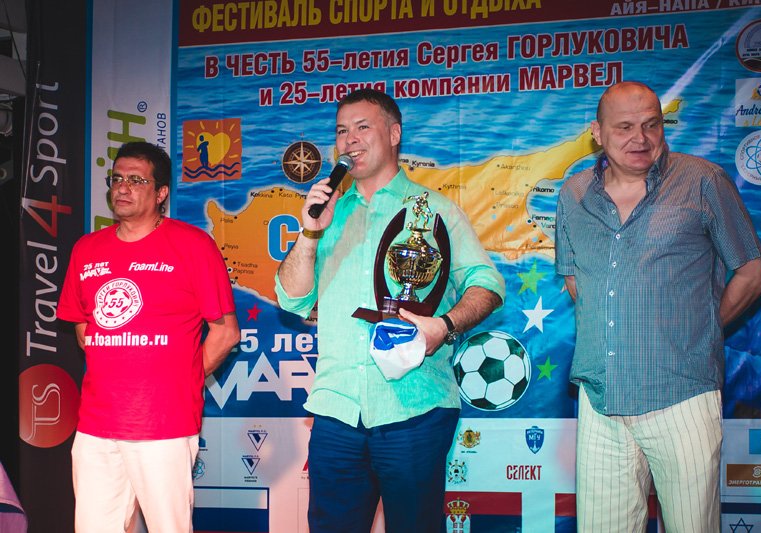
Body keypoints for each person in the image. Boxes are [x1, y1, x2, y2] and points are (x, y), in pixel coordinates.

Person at [276, 88, 504, 532]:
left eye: (363, 127)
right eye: (341, 130)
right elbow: (291, 298)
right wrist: (309, 232)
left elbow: (488, 285)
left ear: (395, 134)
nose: (350, 139)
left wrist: (444, 326)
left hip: (414, 408)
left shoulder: (435, 211)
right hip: (337, 410)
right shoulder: (328, 214)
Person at [555, 81, 761, 532]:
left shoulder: (703, 181)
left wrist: (699, 331)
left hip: (682, 399)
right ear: (597, 132)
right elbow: (577, 282)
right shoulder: (573, 195)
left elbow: (754, 274)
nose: (640, 138)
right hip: (600, 400)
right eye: (625, 127)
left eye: (651, 125)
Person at [56, 141, 240, 532]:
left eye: (136, 180)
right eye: (117, 178)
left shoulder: (193, 245)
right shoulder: (87, 249)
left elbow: (225, 333)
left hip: (163, 423)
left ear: (161, 193)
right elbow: (82, 324)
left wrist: (180, 378)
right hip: (96, 424)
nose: (122, 187)